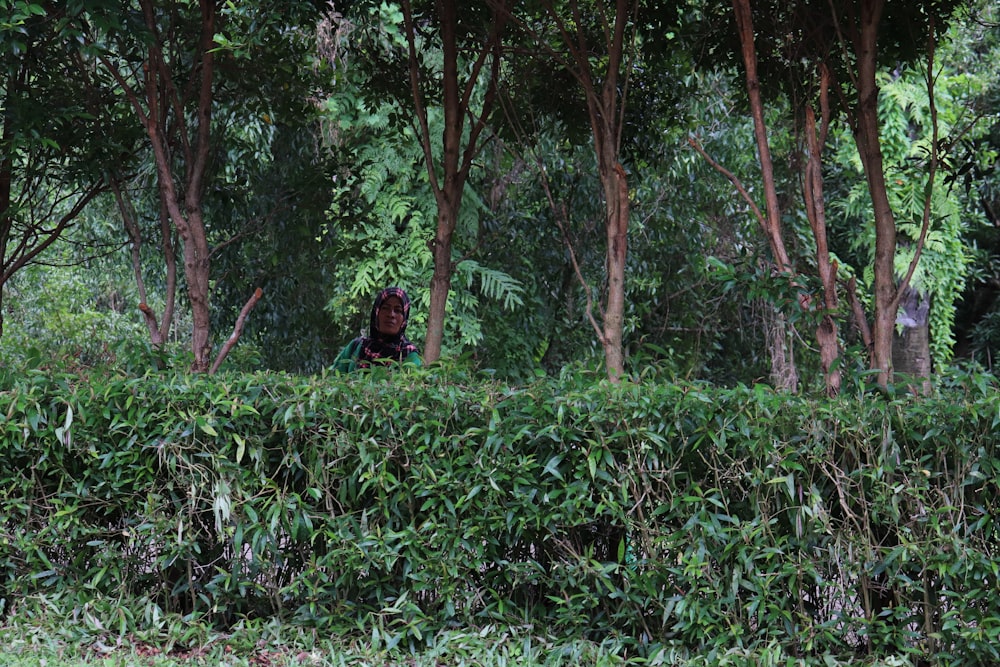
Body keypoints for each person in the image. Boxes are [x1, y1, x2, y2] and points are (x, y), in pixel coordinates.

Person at [332, 286, 422, 373]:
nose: (391, 315)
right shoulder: (356, 347)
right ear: (376, 313)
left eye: (397, 310)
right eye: (385, 308)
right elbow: (332, 380)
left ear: (404, 319)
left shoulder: (409, 355)